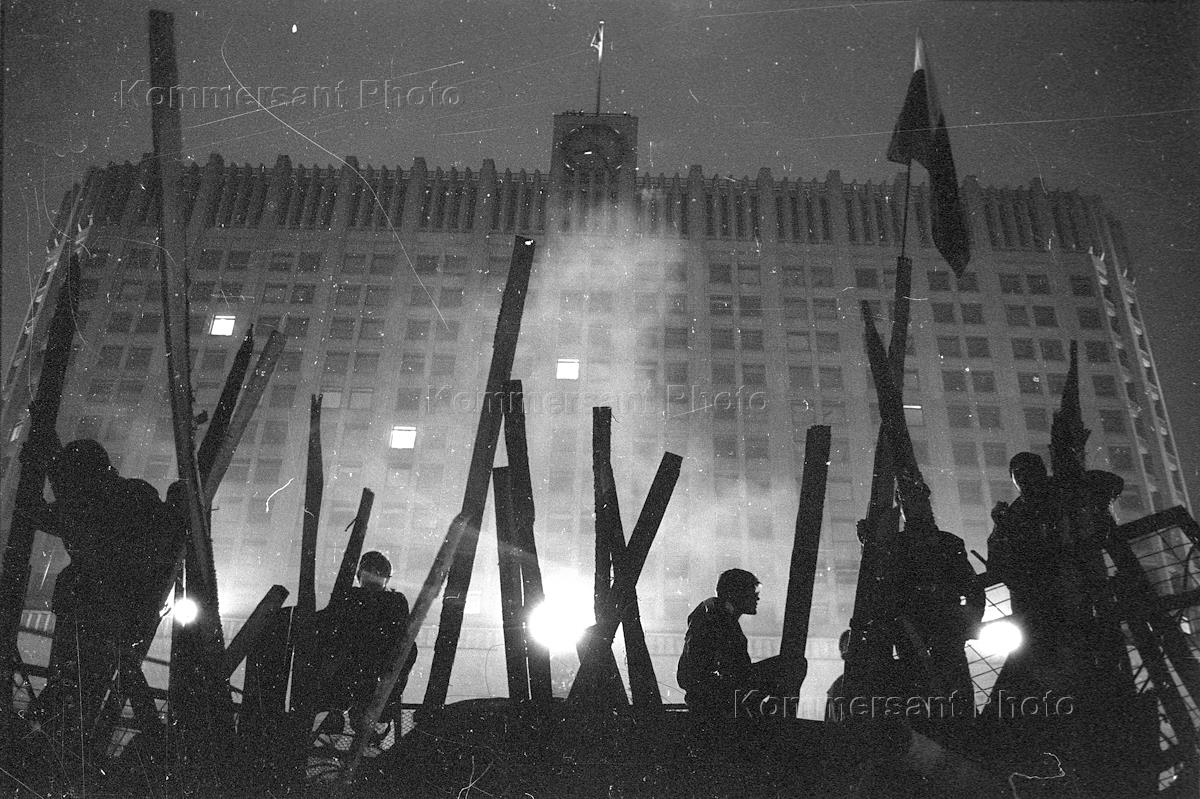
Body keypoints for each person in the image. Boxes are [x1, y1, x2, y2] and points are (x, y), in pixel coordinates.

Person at [30, 440, 182, 749]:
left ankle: (61, 740)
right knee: (79, 691)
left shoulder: (101, 501)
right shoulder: (131, 494)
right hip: (115, 613)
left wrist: (39, 466)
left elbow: (46, 514)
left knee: (74, 691)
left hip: (97, 612)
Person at [308, 552, 416, 780]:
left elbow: (325, 623)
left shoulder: (354, 598)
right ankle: (353, 739)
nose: (373, 576)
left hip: (356, 673)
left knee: (342, 714)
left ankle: (336, 738)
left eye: (376, 572)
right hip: (366, 675)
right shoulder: (392, 601)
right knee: (356, 717)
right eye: (372, 571)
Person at [676, 568, 780, 717]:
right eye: (752, 592)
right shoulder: (720, 619)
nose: (757, 597)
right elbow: (735, 670)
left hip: (710, 697)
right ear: (736, 593)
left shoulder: (714, 613)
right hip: (717, 699)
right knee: (793, 666)